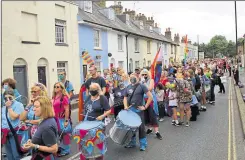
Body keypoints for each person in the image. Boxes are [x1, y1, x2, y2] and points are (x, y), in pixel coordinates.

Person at [124, 73, 153, 151]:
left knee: (141, 128)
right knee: (130, 127)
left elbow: (150, 96)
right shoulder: (128, 87)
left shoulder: (142, 86)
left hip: (138, 110)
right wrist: (125, 106)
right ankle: (132, 143)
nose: (132, 78)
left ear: (137, 77)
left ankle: (143, 144)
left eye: (134, 77)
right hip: (130, 111)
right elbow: (125, 98)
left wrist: (145, 106)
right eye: (131, 77)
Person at [1, 89, 24, 160]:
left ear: (14, 97)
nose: (7, 100)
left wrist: (9, 107)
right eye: (5, 98)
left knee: (16, 154)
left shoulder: (19, 105)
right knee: (9, 155)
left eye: (10, 98)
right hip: (5, 133)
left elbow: (13, 117)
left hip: (15, 133)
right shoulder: (3, 107)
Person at [140, 69, 163, 140]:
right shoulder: (141, 81)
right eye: (143, 74)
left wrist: (143, 84)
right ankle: (150, 128)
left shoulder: (151, 80)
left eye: (145, 74)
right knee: (146, 115)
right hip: (143, 100)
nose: (144, 76)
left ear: (148, 74)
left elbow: (150, 88)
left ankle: (157, 132)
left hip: (151, 100)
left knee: (152, 115)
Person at [52, 82, 71, 157]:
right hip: (55, 118)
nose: (56, 88)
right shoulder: (54, 96)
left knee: (65, 134)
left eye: (58, 87)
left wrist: (66, 120)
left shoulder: (64, 97)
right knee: (59, 134)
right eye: (55, 87)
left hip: (62, 118)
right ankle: (61, 147)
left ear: (61, 88)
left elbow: (67, 109)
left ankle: (66, 150)